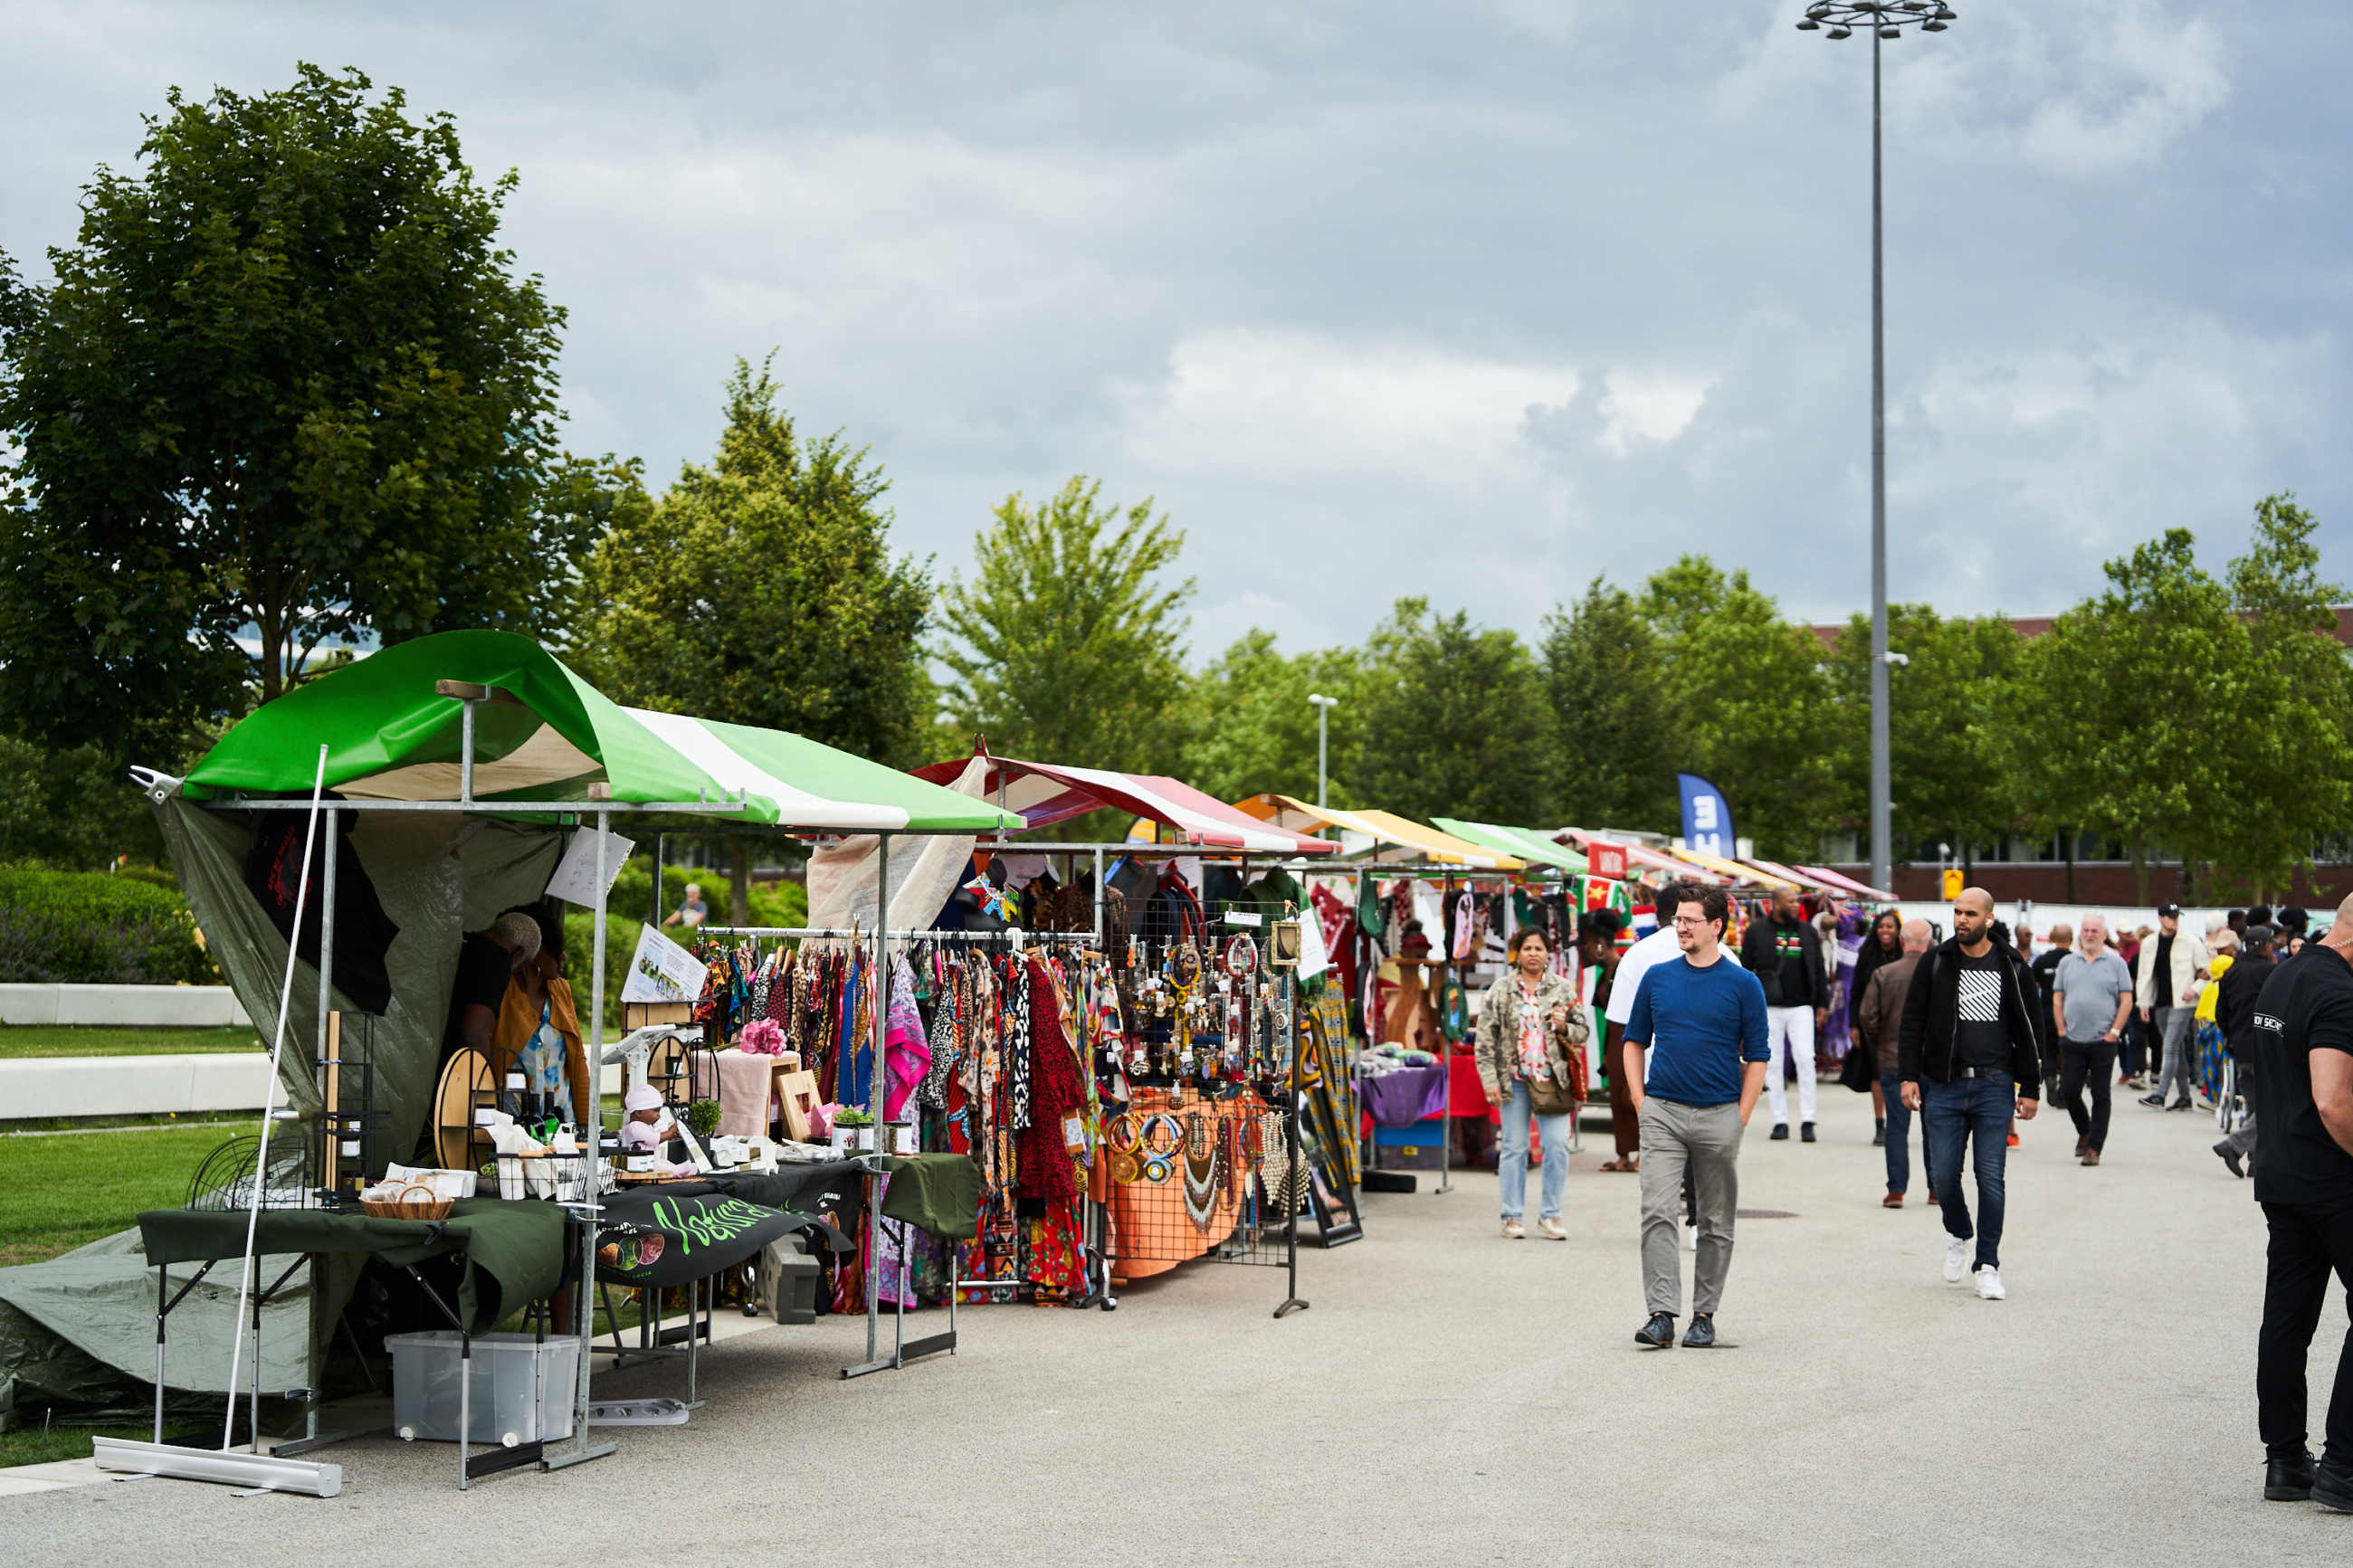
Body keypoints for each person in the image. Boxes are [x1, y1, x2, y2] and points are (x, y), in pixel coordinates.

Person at [1623, 886, 1769, 1349]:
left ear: (1716, 926)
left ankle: (1704, 1316)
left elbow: (1758, 1055)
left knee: (1715, 1221)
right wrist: (1641, 1101)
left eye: (1690, 920)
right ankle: (1661, 1314)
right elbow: (1633, 1041)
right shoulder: (1657, 977)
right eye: (1678, 920)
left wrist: (1741, 1115)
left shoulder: (1744, 984)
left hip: (1720, 1113)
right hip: (1662, 1112)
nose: (1680, 927)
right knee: (1657, 1212)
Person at [2245, 894, 2353, 1510]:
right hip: (2332, 1177)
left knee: (2287, 1319)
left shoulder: (2285, 973)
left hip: (2281, 1171)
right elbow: (2333, 1099)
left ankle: (2285, 1461)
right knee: (2291, 1318)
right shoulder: (2338, 991)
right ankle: (2344, 1467)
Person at [1899, 888, 2043, 1301]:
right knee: (1943, 1176)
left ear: (1989, 920)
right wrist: (1908, 1076)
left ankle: (1988, 1265)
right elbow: (1912, 1022)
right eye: (1957, 912)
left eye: (1970, 914)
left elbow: (2032, 1030)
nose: (1961, 919)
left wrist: (2031, 1087)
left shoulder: (2013, 966)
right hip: (1944, 1085)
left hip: (1995, 1085)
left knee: (1990, 1177)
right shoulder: (1936, 961)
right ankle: (1960, 1233)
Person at [1605, 883, 1705, 1243]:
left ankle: (1661, 1228)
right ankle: (1696, 1221)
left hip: (1653, 1075)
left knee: (1659, 1158)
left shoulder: (1636, 955)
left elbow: (1619, 1028)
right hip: (1706, 1077)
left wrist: (1631, 1091)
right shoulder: (1722, 953)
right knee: (1699, 1153)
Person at [1475, 927, 1587, 1240]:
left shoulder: (1562, 988)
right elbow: (1484, 1040)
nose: (1533, 954)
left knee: (1558, 1145)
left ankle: (1551, 1215)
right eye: (1527, 948)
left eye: (1539, 948)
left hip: (1553, 1081)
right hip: (1514, 1080)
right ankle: (1511, 1216)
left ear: (1548, 953)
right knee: (1514, 1147)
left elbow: (1583, 1031)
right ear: (1517, 953)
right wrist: (1490, 1080)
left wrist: (1564, 1027)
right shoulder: (1500, 990)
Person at [490, 905, 594, 1127]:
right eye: (556, 948)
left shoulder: (561, 990)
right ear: (533, 949)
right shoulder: (501, 990)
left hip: (562, 1128)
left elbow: (577, 1060)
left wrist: (587, 1124)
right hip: (511, 1129)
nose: (563, 956)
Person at [1739, 885, 1827, 1143]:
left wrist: (1822, 1003)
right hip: (1769, 1007)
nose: (1795, 905)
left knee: (1805, 1059)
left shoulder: (1807, 931)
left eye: (1796, 901)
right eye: (1790, 901)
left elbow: (1819, 969)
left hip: (1801, 1006)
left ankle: (1808, 1120)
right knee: (1773, 1062)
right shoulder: (1757, 931)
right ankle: (1780, 1121)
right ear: (1775, 904)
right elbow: (1745, 969)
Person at [1854, 918, 1930, 1207]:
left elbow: (1867, 1016)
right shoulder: (1938, 973)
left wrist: (1880, 1041)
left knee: (1897, 1126)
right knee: (1935, 1126)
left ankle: (1896, 1190)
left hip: (1892, 1058)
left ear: (1901, 941)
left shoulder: (1884, 973)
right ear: (1930, 944)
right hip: (1932, 1062)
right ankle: (1937, 1188)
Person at [2051, 915, 2133, 1167]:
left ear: (2104, 935)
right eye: (2085, 930)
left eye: (2094, 931)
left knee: (2100, 1094)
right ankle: (2084, 1131)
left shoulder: (2116, 963)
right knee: (2069, 1091)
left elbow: (2126, 1000)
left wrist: (2114, 1032)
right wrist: (2061, 1030)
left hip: (2103, 1041)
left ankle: (2094, 1148)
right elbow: (2057, 997)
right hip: (2072, 1040)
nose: (2089, 934)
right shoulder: (2067, 963)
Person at [2213, 923, 2278, 1179]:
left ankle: (2255, 1162)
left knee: (2254, 1107)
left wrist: (2233, 1036)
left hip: (2240, 1048)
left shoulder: (2231, 972)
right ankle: (2234, 1146)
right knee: (2273, 1107)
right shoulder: (2272, 972)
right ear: (2267, 946)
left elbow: (2221, 1013)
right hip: (2266, 1048)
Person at [442, 910, 540, 1074]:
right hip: (446, 1070)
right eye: (517, 969)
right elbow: (473, 1035)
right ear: (518, 954)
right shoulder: (498, 958)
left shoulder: (458, 940)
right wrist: (483, 1081)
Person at [2138, 902, 2211, 1112]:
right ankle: (2184, 1097)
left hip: (2183, 1003)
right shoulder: (2150, 943)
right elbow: (2144, 975)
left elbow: (2207, 971)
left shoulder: (2191, 941)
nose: (2175, 920)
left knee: (2169, 1047)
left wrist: (2194, 989)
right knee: (2176, 1050)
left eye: (2177, 916)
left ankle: (2160, 1094)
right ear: (2160, 918)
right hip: (2161, 1002)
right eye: (2170, 916)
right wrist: (2143, 1001)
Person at [1581, 910, 1639, 1174]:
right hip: (1614, 1042)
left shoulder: (1626, 969)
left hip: (1632, 1040)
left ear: (1601, 945)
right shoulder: (1605, 973)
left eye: (1589, 945)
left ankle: (1644, 1153)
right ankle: (1623, 1155)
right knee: (1616, 1098)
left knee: (1632, 1097)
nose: (1587, 951)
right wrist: (1605, 1052)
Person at [1850, 909, 1903, 1145]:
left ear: (1898, 931)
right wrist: (1854, 1024)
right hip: (1873, 1025)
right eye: (1881, 926)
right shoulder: (1867, 954)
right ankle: (1880, 1124)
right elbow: (1856, 991)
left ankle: (1897, 1122)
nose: (1885, 931)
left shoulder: (1905, 955)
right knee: (1877, 1073)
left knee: (1899, 1073)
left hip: (1900, 1024)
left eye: (1890, 926)